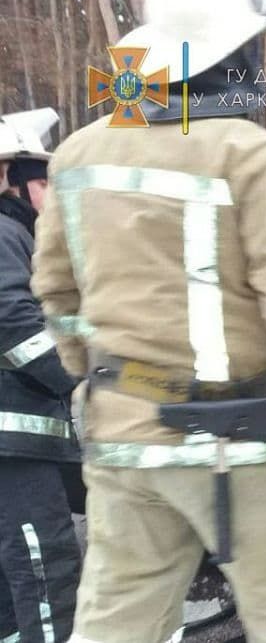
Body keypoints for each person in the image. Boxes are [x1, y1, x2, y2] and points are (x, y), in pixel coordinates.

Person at [31, 0, 266, 641]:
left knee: (115, 624)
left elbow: (57, 293)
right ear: (232, 55)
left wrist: (95, 372)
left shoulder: (78, 155)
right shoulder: (254, 156)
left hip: (123, 437)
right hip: (240, 441)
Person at [0, 108, 82, 643]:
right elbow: (11, 319)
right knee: (44, 569)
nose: (51, 193)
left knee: (12, 588)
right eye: (43, 180)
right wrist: (78, 378)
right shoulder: (5, 233)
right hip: (15, 445)